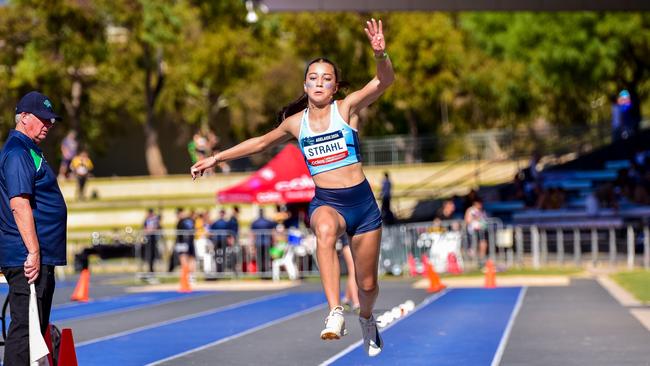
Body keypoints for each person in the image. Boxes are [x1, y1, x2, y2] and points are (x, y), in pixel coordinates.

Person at [191, 18, 392, 356]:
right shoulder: (294, 124)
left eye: (326, 79)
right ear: (305, 84)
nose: (319, 82)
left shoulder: (346, 108)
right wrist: (216, 158)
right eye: (313, 77)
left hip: (363, 205)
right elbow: (259, 143)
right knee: (325, 231)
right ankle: (334, 312)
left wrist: (380, 54)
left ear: (335, 87)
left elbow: (384, 80)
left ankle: (367, 317)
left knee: (368, 285)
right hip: (328, 201)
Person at [0, 91, 66, 366]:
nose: (48, 125)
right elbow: (19, 203)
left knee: (34, 329)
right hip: (25, 256)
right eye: (43, 119)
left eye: (51, 121)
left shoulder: (30, 149)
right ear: (24, 117)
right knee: (24, 331)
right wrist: (34, 252)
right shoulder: (17, 152)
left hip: (34, 255)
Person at [251, 207, 277, 274]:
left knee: (259, 257)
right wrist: (274, 242)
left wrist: (252, 244)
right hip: (267, 242)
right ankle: (267, 271)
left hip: (258, 243)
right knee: (267, 257)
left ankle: (261, 272)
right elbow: (272, 232)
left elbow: (252, 234)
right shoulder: (268, 221)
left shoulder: (255, 222)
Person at [143, 208, 161, 274]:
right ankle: (150, 269)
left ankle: (152, 269)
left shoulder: (154, 220)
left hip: (153, 239)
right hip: (148, 239)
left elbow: (156, 227)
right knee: (149, 255)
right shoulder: (147, 220)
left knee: (153, 255)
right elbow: (145, 228)